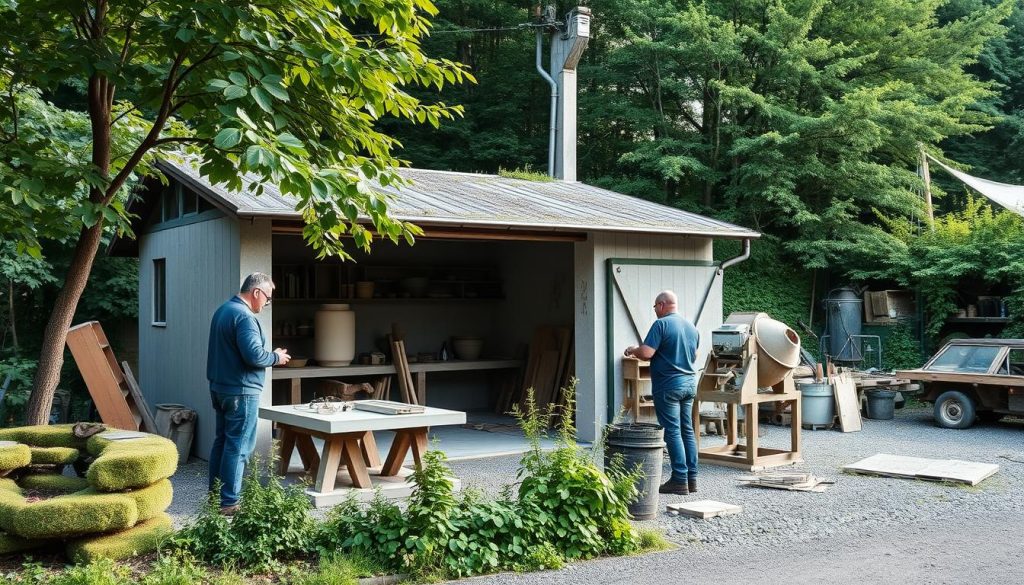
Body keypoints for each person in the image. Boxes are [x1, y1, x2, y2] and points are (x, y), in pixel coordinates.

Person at [207, 272, 290, 514]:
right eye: (268, 297)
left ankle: (215, 497)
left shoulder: (223, 311)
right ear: (256, 293)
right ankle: (230, 503)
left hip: (220, 388)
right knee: (239, 446)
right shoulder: (244, 317)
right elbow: (254, 356)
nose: (267, 303)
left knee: (222, 442)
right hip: (241, 392)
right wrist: (276, 357)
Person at [623, 290, 700, 495]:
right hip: (690, 384)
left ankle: (679, 479)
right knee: (687, 430)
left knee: (672, 431)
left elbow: (647, 353)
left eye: (655, 307)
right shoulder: (691, 327)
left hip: (669, 386)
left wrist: (633, 349)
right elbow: (694, 355)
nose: (655, 311)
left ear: (662, 305)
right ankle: (691, 479)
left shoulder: (661, 324)